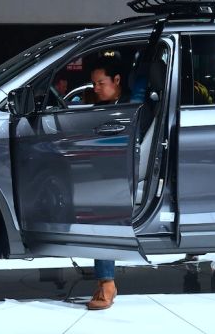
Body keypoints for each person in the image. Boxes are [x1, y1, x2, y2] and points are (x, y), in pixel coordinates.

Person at [86, 57, 124, 311]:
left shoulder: (131, 105)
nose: (96, 88)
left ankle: (107, 283)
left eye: (101, 83)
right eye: (93, 83)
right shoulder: (97, 107)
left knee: (103, 214)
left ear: (117, 80)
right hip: (109, 171)